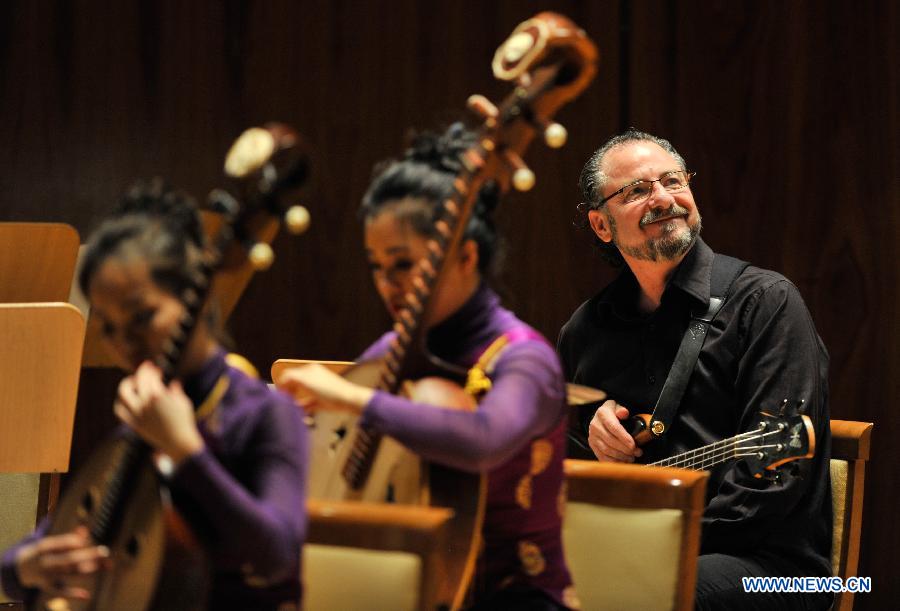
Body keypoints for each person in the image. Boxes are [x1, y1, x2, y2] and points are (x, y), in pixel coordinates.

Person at [277, 124, 578, 610]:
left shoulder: (525, 357)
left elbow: (483, 438)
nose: (387, 284)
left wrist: (349, 398)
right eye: (376, 267)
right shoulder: (397, 348)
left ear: (464, 256)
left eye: (402, 264)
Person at [1, 180, 308, 610]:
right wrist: (28, 566)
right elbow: (25, 555)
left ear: (197, 298)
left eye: (141, 317)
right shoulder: (138, 424)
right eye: (107, 327)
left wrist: (186, 451)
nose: (125, 343)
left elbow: (277, 555)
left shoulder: (264, 413)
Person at [558, 129, 832, 609]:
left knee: (631, 595)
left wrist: (648, 544)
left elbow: (770, 483)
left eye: (673, 181)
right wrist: (595, 439)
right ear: (602, 226)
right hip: (634, 554)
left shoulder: (766, 303)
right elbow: (563, 475)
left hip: (778, 572)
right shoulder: (585, 331)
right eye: (638, 190)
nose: (663, 198)